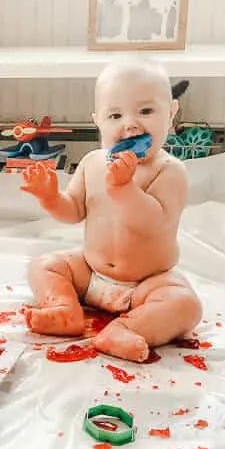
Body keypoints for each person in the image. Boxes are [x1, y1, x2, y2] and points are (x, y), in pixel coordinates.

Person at [20, 59, 202, 363]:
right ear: (97, 121)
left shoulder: (171, 172)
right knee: (43, 265)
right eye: (115, 115)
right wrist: (51, 197)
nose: (130, 124)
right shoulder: (92, 163)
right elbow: (74, 210)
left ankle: (127, 328)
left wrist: (123, 189)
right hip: (91, 272)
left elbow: (154, 224)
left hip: (146, 283)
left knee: (185, 304)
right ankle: (64, 308)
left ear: (171, 112)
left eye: (146, 111)